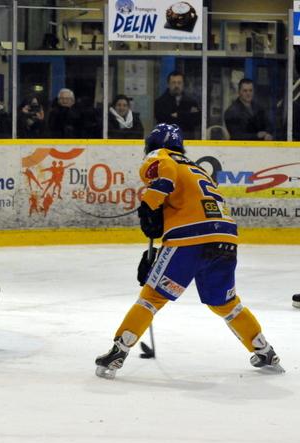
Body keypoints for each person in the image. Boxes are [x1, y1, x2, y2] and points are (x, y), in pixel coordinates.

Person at [95, 124, 284, 379]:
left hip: (191, 237)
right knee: (226, 303)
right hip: (225, 236)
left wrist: (149, 205)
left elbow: (166, 173)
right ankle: (264, 349)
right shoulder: (196, 168)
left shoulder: (160, 155)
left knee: (152, 297)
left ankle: (118, 351)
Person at [154, 71, 200, 139]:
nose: (176, 85)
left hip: (187, 141)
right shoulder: (160, 102)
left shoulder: (191, 102)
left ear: (183, 84)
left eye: (179, 83)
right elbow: (163, 120)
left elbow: (196, 121)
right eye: (173, 83)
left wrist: (178, 115)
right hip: (166, 141)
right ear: (168, 84)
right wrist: (187, 115)